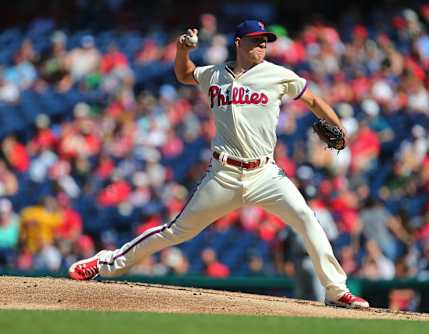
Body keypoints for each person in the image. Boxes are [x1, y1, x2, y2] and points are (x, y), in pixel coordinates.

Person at [69, 20, 369, 309]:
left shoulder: (278, 75)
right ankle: (105, 263)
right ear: (239, 43)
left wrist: (340, 127)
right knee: (177, 231)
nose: (262, 45)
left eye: (265, 41)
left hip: (265, 174)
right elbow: (185, 75)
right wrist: (183, 50)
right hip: (223, 174)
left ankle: (337, 290)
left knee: (306, 218)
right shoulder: (214, 74)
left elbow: (314, 101)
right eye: (256, 41)